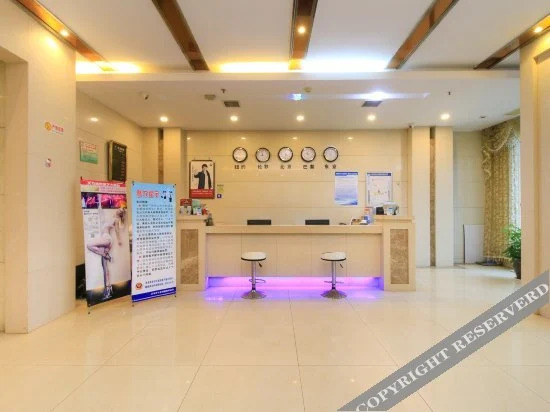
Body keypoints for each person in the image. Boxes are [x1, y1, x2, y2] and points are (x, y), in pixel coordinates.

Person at [86, 204, 126, 300]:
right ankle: (108, 290)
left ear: (120, 214)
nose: (118, 210)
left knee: (89, 245)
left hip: (107, 239)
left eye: (120, 211)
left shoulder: (116, 220)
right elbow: (102, 217)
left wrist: (119, 241)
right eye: (119, 209)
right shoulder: (109, 218)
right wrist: (99, 206)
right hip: (104, 239)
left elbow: (117, 231)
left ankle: (106, 255)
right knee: (105, 268)